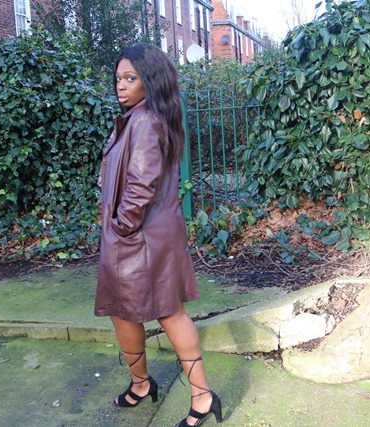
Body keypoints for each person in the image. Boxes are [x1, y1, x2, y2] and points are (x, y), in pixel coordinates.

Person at [95, 43, 222, 427]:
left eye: (130, 78)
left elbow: (140, 186)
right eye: (118, 78)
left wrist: (119, 227)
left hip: (142, 237)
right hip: (135, 236)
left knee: (169, 312)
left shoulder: (146, 121)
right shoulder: (137, 118)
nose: (121, 85)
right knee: (121, 311)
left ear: (150, 81)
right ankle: (141, 384)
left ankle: (202, 397)